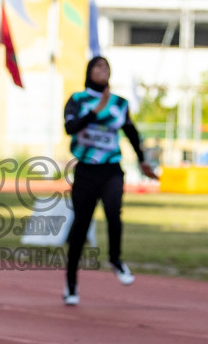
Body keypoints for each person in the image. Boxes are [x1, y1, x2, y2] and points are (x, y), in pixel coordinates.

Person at [61, 57, 159, 306]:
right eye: (98, 67)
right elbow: (70, 128)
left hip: (111, 168)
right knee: (81, 225)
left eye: (106, 67)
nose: (103, 71)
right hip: (86, 169)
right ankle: (71, 283)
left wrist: (142, 160)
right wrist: (95, 110)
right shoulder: (78, 100)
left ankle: (115, 259)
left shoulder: (119, 103)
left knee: (114, 212)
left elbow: (131, 131)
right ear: (89, 71)